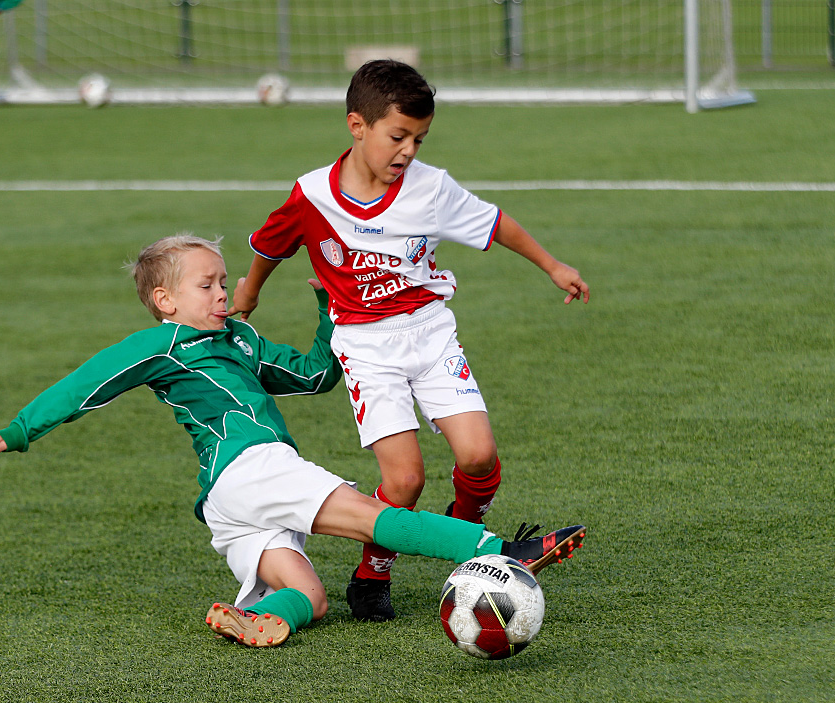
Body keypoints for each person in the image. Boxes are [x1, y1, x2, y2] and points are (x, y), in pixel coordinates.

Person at [0, 235, 585, 648]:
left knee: (310, 596)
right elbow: (83, 385)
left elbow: (314, 375)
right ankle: (504, 550)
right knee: (376, 518)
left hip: (228, 508)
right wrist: (18, 431)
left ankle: (264, 620)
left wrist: (326, 313)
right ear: (164, 299)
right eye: (206, 285)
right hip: (251, 469)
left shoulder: (240, 341)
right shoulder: (160, 344)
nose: (223, 292)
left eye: (224, 281)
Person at [228, 60, 590, 622]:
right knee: (405, 479)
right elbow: (271, 243)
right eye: (398, 136)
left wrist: (552, 264)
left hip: (430, 331)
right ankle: (373, 570)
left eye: (419, 139)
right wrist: (249, 292)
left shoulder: (430, 187)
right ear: (357, 126)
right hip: (365, 347)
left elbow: (495, 224)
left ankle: (464, 536)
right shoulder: (311, 195)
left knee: (478, 455)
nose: (408, 151)